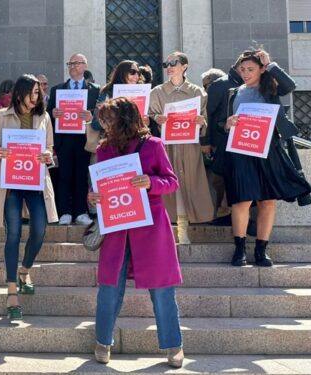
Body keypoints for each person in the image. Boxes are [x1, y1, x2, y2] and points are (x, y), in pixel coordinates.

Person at [88, 97, 184, 368]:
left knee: (162, 289)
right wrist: (93, 197)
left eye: (108, 119)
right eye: (103, 119)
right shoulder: (104, 148)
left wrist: (150, 182)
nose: (104, 124)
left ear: (125, 119)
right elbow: (98, 186)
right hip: (117, 227)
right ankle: (102, 341)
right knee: (109, 287)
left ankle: (173, 346)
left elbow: (172, 182)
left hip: (151, 227)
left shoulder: (153, 145)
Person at [221, 50, 311, 267]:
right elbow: (221, 123)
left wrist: (270, 64)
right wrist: (227, 124)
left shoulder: (271, 88)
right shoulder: (233, 93)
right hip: (240, 150)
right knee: (242, 199)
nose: (245, 73)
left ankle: (262, 250)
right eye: (242, 69)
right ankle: (240, 249)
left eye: (250, 69)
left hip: (268, 149)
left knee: (268, 200)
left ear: (262, 69)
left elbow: (290, 86)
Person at [0, 74, 57, 320]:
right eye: (32, 92)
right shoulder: (1, 116)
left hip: (35, 181)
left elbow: (50, 148)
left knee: (39, 229)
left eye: (38, 93)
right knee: (14, 234)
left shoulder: (44, 117)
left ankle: (25, 270)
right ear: (20, 93)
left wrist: (48, 156)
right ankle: (11, 293)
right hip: (11, 183)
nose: (35, 97)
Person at [149, 52, 214, 243]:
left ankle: (184, 229)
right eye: (166, 63)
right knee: (169, 187)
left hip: (189, 145)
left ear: (185, 66)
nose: (169, 66)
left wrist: (202, 122)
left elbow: (205, 119)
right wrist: (156, 119)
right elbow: (149, 116)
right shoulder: (157, 92)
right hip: (165, 146)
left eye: (173, 63)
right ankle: (169, 229)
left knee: (189, 184)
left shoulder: (197, 92)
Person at [47, 53, 99, 225]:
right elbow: (47, 115)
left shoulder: (95, 90)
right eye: (70, 63)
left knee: (81, 175)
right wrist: (52, 113)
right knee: (64, 175)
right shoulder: (57, 90)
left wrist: (91, 116)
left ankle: (80, 211)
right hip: (64, 138)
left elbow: (101, 116)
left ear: (85, 65)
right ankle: (64, 212)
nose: (73, 66)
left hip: (84, 139)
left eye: (77, 63)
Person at [200, 68, 232, 225]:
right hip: (215, 144)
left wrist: (207, 142)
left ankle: (224, 211)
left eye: (206, 85)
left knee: (220, 180)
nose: (205, 89)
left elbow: (211, 119)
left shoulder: (221, 93)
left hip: (222, 143)